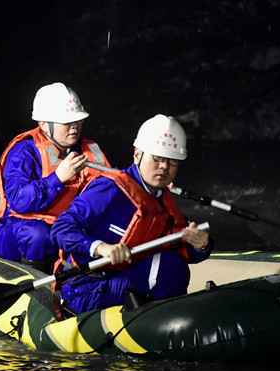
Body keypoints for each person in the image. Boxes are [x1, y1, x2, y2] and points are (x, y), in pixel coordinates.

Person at [51, 114, 211, 314]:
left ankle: (162, 322)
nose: (164, 167)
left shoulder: (161, 198)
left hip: (122, 275)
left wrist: (200, 245)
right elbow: (61, 228)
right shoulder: (108, 188)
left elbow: (184, 252)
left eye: (172, 161)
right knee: (166, 269)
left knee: (173, 265)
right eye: (157, 158)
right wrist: (102, 248)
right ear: (137, 155)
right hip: (85, 286)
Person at [0, 82, 111, 272]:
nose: (74, 127)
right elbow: (17, 200)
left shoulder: (89, 149)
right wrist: (57, 178)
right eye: (67, 122)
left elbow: (112, 187)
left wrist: (140, 183)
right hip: (23, 228)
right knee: (39, 236)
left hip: (69, 226)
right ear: (44, 125)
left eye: (78, 121)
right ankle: (35, 285)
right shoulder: (24, 151)